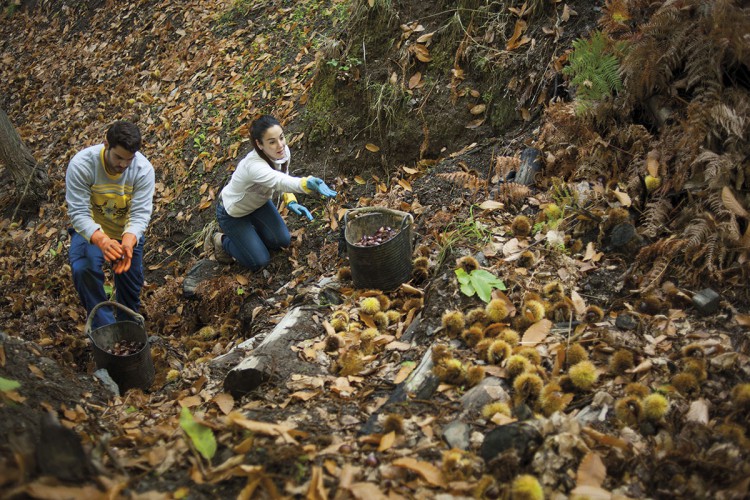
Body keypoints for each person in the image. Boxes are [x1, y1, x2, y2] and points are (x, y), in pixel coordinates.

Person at [208, 115, 337, 270]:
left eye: (281, 138)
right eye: (272, 142)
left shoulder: (283, 152)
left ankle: (249, 236)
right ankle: (221, 240)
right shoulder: (253, 166)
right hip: (233, 212)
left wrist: (290, 200)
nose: (280, 145)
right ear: (259, 144)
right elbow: (278, 181)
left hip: (259, 204)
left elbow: (284, 176)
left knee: (281, 241)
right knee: (259, 261)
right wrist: (306, 182)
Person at [65, 121, 155, 329]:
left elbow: (141, 213)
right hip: (93, 231)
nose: (123, 165)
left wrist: (129, 240)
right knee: (83, 268)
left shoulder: (143, 170)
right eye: (118, 157)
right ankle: (106, 331)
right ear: (106, 144)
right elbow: (78, 212)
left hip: (126, 233)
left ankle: (128, 330)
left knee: (130, 280)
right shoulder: (82, 165)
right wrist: (101, 240)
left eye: (129, 159)